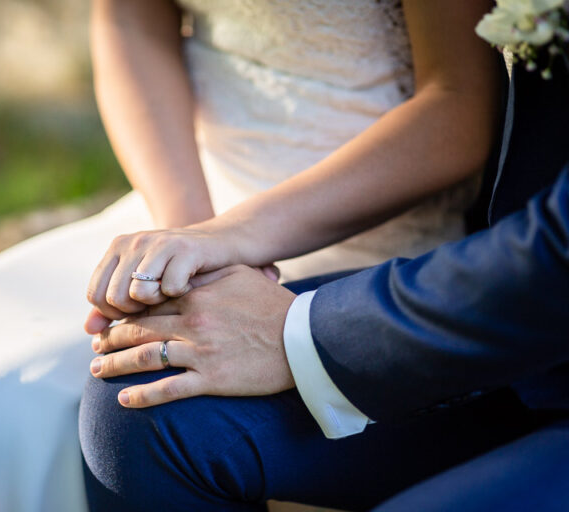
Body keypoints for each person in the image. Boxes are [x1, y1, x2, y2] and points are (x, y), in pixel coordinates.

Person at [0, 1, 500, 511]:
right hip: (184, 201)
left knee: (17, 414)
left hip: (373, 234)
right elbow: (130, 23)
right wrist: (191, 237)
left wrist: (237, 238)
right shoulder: (193, 228)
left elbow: (460, 104)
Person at [79, 46, 569, 512]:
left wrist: (301, 334)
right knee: (138, 404)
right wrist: (194, 249)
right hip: (510, 298)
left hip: (519, 294)